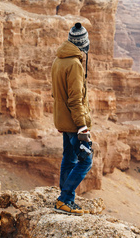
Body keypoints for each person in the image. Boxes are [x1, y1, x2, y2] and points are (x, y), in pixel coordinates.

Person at [51, 22, 92, 216]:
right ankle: (64, 199)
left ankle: (67, 201)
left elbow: (56, 95)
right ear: (83, 44)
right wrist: (82, 127)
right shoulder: (74, 65)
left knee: (69, 159)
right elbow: (75, 100)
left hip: (64, 121)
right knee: (85, 161)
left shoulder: (58, 60)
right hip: (75, 123)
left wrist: (61, 121)